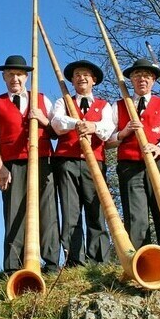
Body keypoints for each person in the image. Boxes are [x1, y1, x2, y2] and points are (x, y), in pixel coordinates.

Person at [0, 55, 59, 274]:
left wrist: (43, 119)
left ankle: (52, 262)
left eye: (19, 74)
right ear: (4, 77)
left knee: (47, 210)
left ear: (26, 77)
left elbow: (56, 132)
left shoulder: (42, 99)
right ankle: (14, 266)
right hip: (12, 164)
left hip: (42, 159)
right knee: (14, 211)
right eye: (10, 74)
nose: (14, 78)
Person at [108, 58, 160, 249]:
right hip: (130, 165)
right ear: (131, 80)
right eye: (137, 76)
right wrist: (124, 132)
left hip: (159, 163)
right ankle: (144, 262)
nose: (142, 80)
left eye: (146, 76)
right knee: (135, 214)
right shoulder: (119, 106)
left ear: (153, 80)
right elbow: (107, 140)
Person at [51, 59, 113, 266]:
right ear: (72, 80)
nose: (81, 78)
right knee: (70, 210)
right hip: (66, 161)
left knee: (96, 209)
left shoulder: (104, 105)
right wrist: (77, 123)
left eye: (86, 74)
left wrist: (93, 126)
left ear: (93, 80)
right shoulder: (63, 102)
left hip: (94, 161)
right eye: (77, 75)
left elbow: (107, 129)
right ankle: (74, 259)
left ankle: (99, 259)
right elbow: (57, 123)